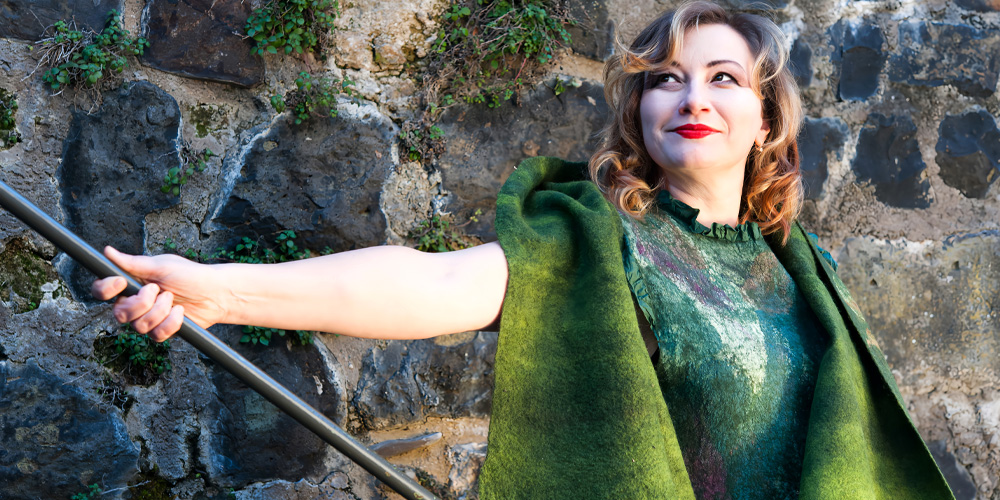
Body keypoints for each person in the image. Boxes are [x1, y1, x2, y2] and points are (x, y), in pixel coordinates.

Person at [92, 1, 955, 499]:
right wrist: (223, 293)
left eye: (722, 78)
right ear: (640, 113)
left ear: (766, 120)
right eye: (666, 79)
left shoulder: (804, 273)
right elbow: (432, 285)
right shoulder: (593, 240)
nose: (692, 96)